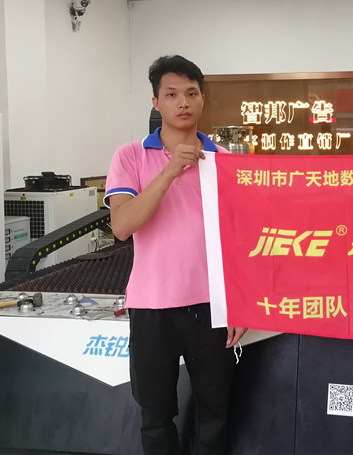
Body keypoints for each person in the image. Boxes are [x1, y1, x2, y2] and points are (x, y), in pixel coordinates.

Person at [104, 55, 246, 455]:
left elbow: (240, 240)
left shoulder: (225, 162)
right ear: (156, 102)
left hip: (212, 308)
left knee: (216, 412)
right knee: (155, 415)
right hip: (152, 307)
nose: (182, 102)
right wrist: (169, 171)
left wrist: (239, 305)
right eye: (171, 94)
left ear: (202, 100)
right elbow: (122, 226)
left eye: (191, 93)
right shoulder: (130, 156)